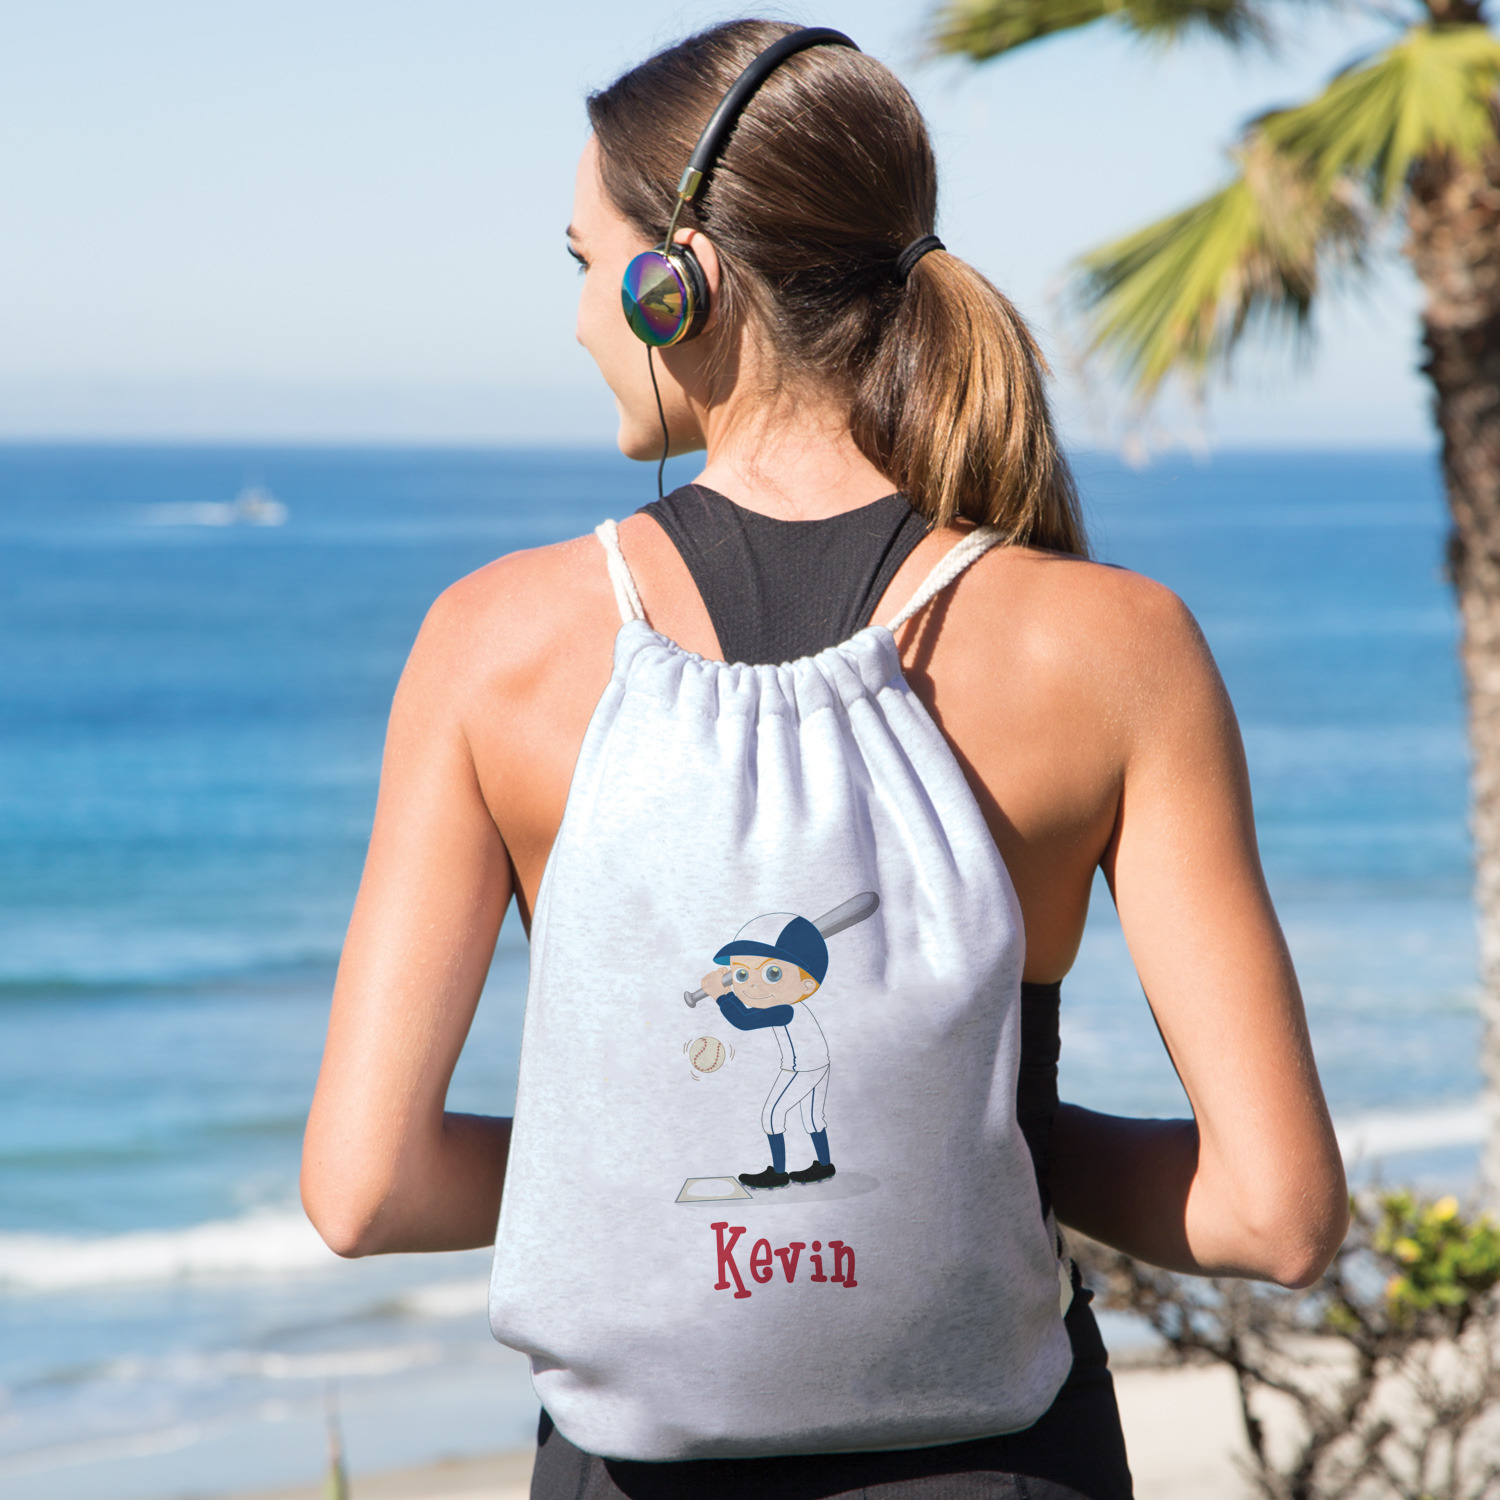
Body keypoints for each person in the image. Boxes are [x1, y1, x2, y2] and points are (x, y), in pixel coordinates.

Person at [302, 19, 1348, 1500]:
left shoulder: (493, 645)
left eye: (587, 265)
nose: (582, 319)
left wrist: (650, 1156)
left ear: (678, 284)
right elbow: (1275, 1213)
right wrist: (955, 1142)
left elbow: (365, 1189)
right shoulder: (1115, 647)